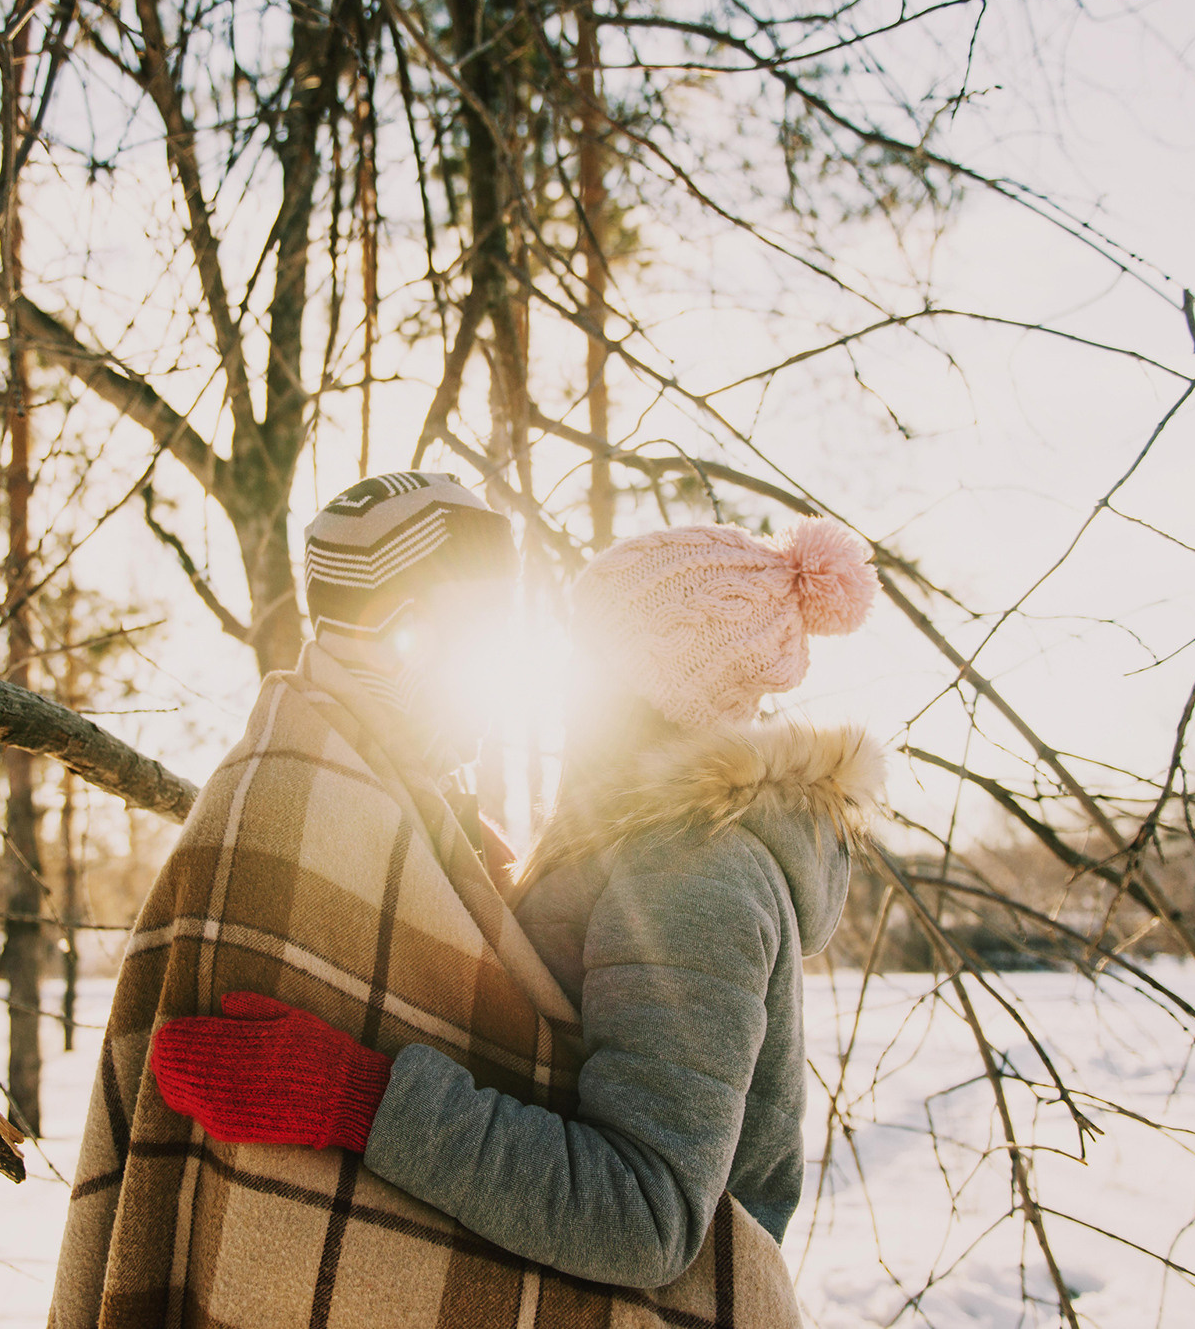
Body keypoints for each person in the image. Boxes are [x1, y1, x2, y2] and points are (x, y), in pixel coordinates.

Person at [147, 514, 885, 1292]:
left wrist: (357, 1098)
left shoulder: (693, 872)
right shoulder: (638, 844)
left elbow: (643, 1214)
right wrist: (483, 896)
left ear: (650, 688)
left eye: (588, 657)